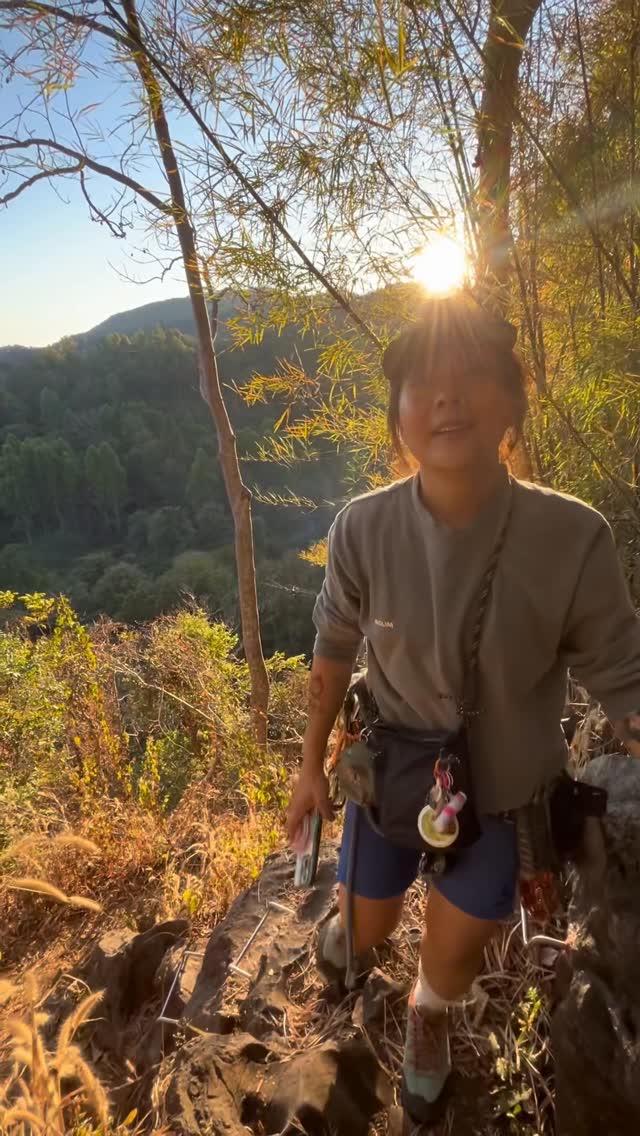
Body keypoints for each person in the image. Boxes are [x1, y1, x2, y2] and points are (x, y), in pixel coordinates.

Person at [286, 293, 640, 1125]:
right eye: (423, 382)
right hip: (391, 778)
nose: (446, 396)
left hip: (505, 796)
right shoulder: (363, 529)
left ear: (512, 401)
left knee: (451, 952)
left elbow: (624, 676)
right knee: (365, 930)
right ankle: (350, 935)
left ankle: (429, 1017)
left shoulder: (572, 538)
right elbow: (333, 648)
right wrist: (308, 768)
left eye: (471, 374)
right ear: (398, 416)